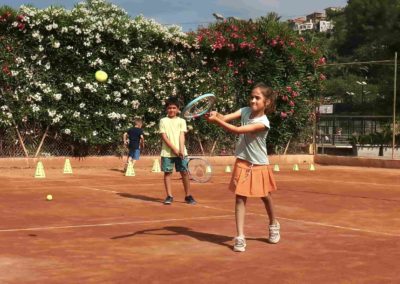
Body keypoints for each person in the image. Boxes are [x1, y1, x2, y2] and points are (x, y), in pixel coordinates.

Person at [205, 83, 280, 252]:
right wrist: (217, 115)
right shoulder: (245, 110)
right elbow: (226, 118)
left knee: (265, 196)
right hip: (242, 161)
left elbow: (238, 130)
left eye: (257, 98)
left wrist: (216, 121)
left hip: (259, 163)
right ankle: (240, 236)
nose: (253, 100)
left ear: (267, 102)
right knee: (240, 198)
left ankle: (273, 223)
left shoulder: (263, 123)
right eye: (252, 96)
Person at [159, 97, 196, 205]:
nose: (172, 110)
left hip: (181, 152)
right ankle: (169, 196)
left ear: (178, 109)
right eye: (169, 108)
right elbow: (164, 137)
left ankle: (188, 196)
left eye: (174, 108)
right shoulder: (163, 121)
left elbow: (181, 136)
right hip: (167, 152)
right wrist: (174, 149)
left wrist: (180, 150)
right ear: (166, 109)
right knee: (167, 173)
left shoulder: (182, 121)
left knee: (184, 172)